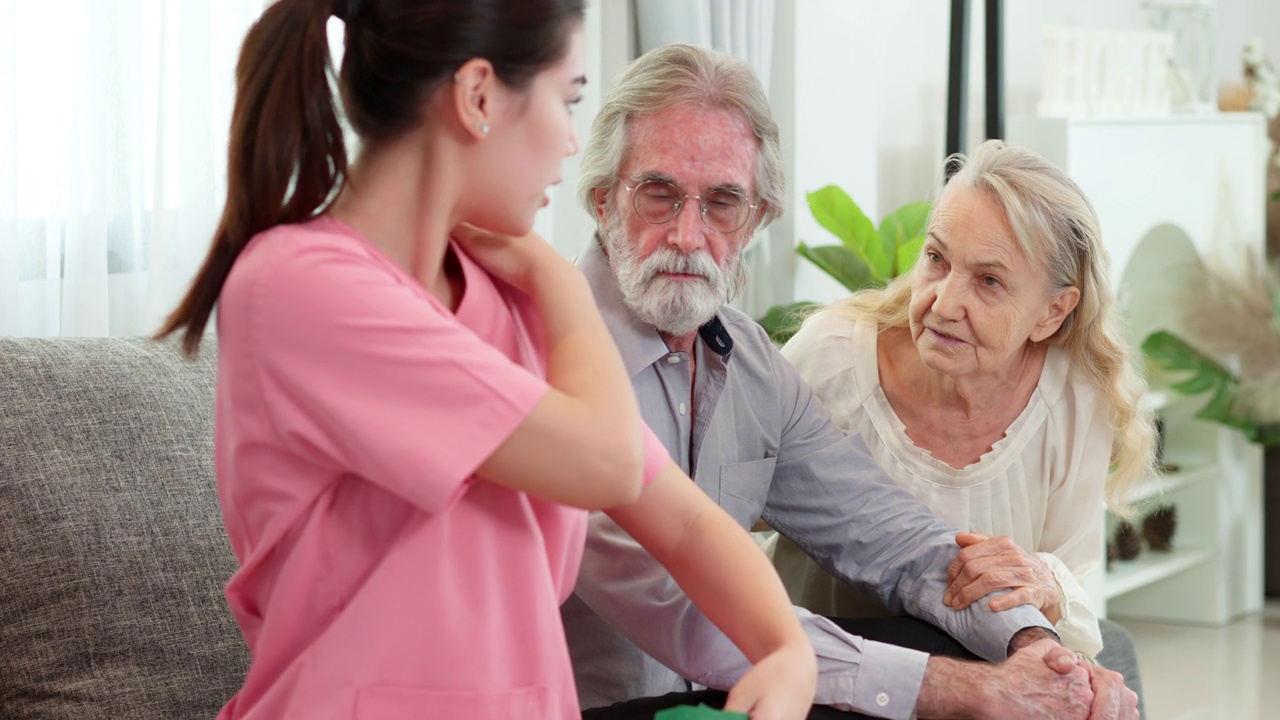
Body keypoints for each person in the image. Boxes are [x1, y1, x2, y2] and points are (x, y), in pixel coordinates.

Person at [155, 3, 817, 719]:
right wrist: (561, 280)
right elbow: (610, 464)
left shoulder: (508, 304)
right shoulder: (302, 286)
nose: (571, 142)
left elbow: (679, 519)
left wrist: (787, 649)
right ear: (477, 97)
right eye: (567, 100)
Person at [562, 43, 1138, 720]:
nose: (689, 235)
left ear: (757, 221)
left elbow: (894, 537)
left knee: (1097, 679)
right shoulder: (552, 355)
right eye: (659, 196)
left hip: (736, 699)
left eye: (723, 203)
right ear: (602, 201)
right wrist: (966, 691)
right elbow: (683, 610)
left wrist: (1039, 650)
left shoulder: (748, 365)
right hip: (588, 706)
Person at [772, 139, 1156, 709]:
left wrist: (1047, 580)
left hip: (992, 683)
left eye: (989, 281)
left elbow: (1072, 579)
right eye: (937, 259)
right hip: (827, 681)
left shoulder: (1075, 398)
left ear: (1053, 312)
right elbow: (716, 506)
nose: (944, 302)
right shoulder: (830, 361)